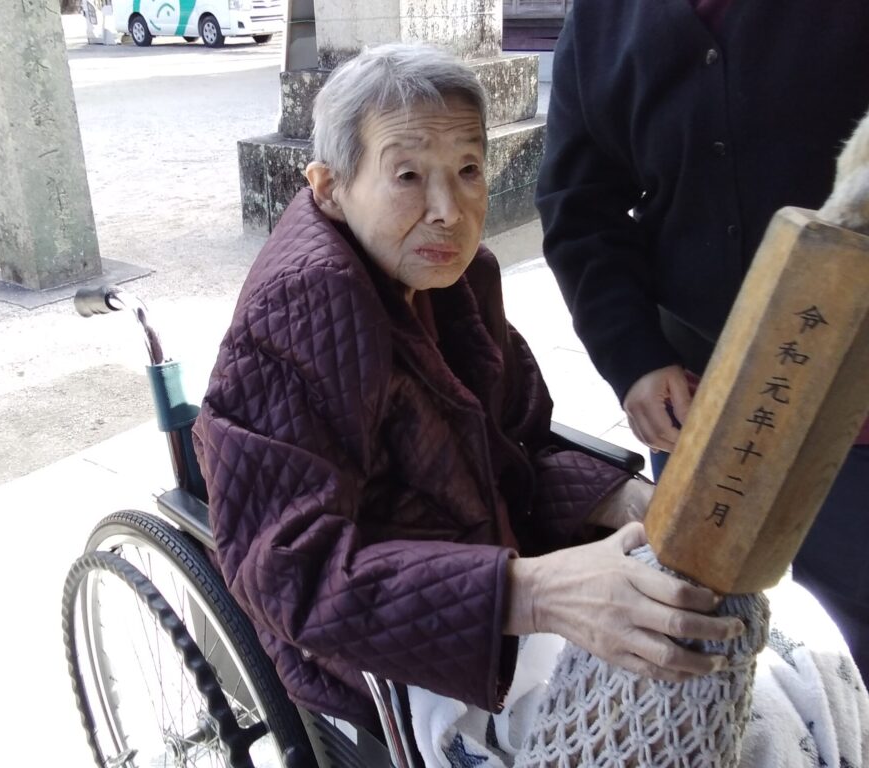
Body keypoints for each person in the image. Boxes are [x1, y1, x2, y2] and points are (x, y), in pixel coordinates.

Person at [192, 42, 743, 732]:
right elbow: (288, 574)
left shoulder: (457, 276)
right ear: (329, 187)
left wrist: (632, 501)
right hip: (375, 651)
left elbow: (521, 440)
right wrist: (533, 594)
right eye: (408, 175)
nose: (448, 210)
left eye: (468, 170)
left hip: (493, 574)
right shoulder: (300, 310)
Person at [536, 0, 869, 680]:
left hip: (853, 405)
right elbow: (580, 203)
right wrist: (633, 358)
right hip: (696, 397)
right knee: (704, 628)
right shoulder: (603, 17)